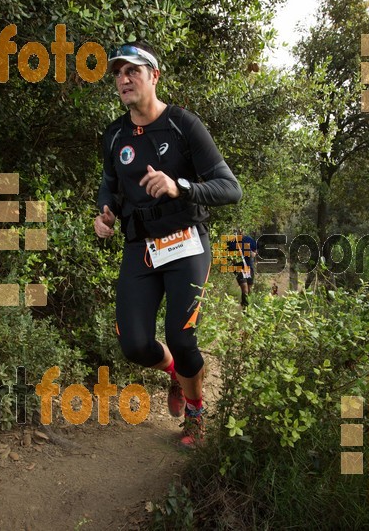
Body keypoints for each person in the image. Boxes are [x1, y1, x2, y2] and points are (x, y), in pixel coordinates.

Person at [93, 42, 241, 448]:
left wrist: (181, 186)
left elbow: (231, 188)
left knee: (181, 335)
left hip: (186, 242)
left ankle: (195, 414)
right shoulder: (114, 135)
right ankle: (177, 372)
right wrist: (104, 212)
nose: (124, 79)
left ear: (154, 76)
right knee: (135, 344)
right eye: (118, 73)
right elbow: (109, 185)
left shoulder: (183, 125)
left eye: (133, 71)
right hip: (140, 246)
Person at [227, 228, 257, 308]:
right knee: (244, 288)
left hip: (249, 266)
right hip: (238, 267)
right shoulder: (231, 242)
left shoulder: (249, 240)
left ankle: (245, 305)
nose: (239, 233)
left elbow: (255, 252)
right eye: (236, 232)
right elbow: (226, 254)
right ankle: (245, 310)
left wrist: (252, 253)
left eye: (240, 231)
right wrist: (232, 259)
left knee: (249, 289)